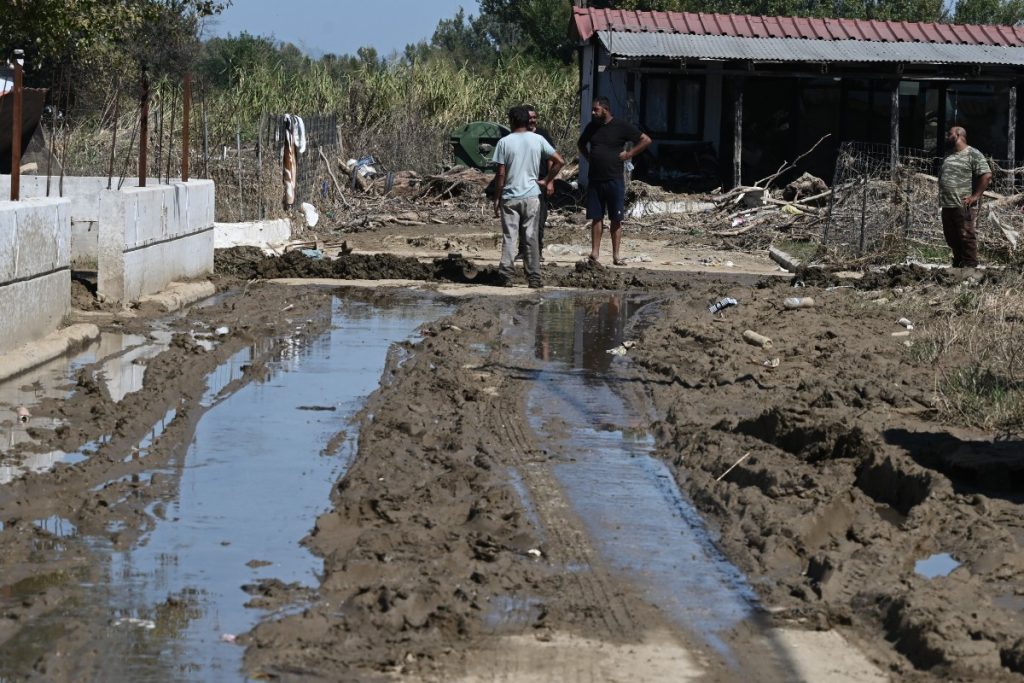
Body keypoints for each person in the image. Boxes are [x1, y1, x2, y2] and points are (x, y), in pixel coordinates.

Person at [493, 105, 565, 288]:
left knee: (510, 237)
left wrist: (497, 197)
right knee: (531, 237)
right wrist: (547, 180)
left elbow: (501, 174)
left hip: (510, 197)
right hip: (532, 196)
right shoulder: (538, 139)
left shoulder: (504, 142)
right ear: (526, 120)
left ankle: (506, 276)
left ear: (512, 121)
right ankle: (533, 278)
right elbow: (560, 161)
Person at [577, 96, 651, 265]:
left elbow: (646, 140)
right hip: (595, 179)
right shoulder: (592, 127)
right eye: (593, 109)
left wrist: (629, 154)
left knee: (616, 218)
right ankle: (595, 253)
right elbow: (581, 144)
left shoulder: (621, 126)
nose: (593, 112)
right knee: (596, 217)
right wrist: (589, 157)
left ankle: (616, 256)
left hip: (614, 179)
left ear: (606, 109)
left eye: (596, 109)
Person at [938, 126, 992, 268]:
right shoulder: (949, 156)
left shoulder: (972, 153)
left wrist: (975, 197)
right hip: (947, 204)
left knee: (966, 235)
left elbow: (986, 175)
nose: (947, 137)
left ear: (958, 134)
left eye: (949, 134)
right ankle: (958, 264)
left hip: (964, 205)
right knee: (951, 237)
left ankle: (970, 267)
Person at [526, 105, 554, 260]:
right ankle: (523, 250)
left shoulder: (542, 135)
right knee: (523, 218)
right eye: (529, 118)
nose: (532, 120)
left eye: (534, 117)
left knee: (540, 218)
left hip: (540, 181)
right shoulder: (518, 135)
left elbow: (551, 158)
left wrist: (550, 181)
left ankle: (538, 251)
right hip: (524, 182)